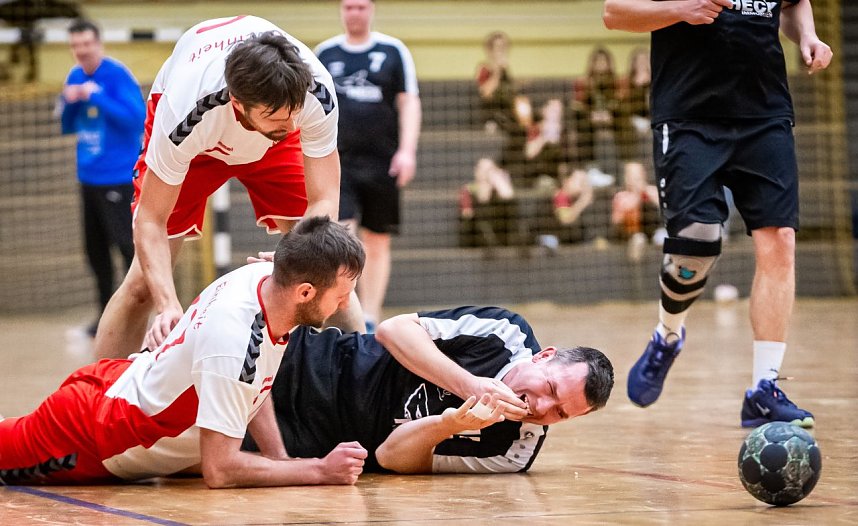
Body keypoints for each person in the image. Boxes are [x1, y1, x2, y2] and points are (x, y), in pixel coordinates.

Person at [0, 217, 371, 487]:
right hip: (91, 435)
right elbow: (220, 470)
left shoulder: (267, 281)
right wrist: (319, 470)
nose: (342, 305)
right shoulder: (234, 345)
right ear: (304, 291)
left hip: (121, 387)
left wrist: (281, 461)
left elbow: (257, 384)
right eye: (340, 295)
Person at [603, 0, 833, 427]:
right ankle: (667, 335)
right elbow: (614, 13)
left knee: (780, 239)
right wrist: (680, 9)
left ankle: (764, 390)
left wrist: (807, 36)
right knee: (698, 241)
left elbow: (793, 4)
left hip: (764, 114)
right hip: (690, 115)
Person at [93, 15, 356, 362]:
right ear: (238, 104)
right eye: (280, 116)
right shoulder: (184, 111)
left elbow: (324, 199)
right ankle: (92, 401)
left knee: (328, 267)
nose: (292, 123)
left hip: (274, 146)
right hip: (199, 148)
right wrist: (168, 305)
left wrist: (298, 254)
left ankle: (363, 382)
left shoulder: (314, 93)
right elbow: (151, 221)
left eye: (295, 112)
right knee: (142, 286)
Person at [249, 306, 614, 474]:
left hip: (313, 439)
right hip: (314, 362)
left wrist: (449, 424)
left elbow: (390, 458)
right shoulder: (505, 333)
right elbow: (392, 330)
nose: (541, 406)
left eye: (560, 413)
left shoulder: (514, 452)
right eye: (549, 387)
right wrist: (472, 385)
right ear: (544, 356)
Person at [315, 0, 422, 333]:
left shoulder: (393, 51)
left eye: (361, 7)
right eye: (349, 7)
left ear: (371, 9)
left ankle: (371, 315)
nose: (354, 13)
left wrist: (407, 151)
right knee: (340, 235)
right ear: (341, 10)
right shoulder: (325, 52)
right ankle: (342, 315)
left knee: (377, 241)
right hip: (338, 162)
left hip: (382, 162)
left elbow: (409, 102)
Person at [59, 19, 145, 337]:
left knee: (126, 247)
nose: (81, 51)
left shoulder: (116, 75)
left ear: (98, 44)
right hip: (88, 179)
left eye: (86, 44)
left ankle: (135, 318)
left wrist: (95, 96)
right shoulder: (75, 76)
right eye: (75, 45)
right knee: (95, 251)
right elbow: (67, 126)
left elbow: (135, 119)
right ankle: (104, 318)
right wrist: (69, 101)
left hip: (118, 179)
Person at [611, 161, 662, 261]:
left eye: (638, 175)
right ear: (626, 178)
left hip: (655, 231)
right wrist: (637, 195)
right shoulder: (621, 196)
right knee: (638, 239)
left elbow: (665, 210)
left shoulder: (652, 191)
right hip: (631, 234)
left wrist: (647, 192)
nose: (636, 179)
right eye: (632, 175)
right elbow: (616, 221)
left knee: (664, 238)